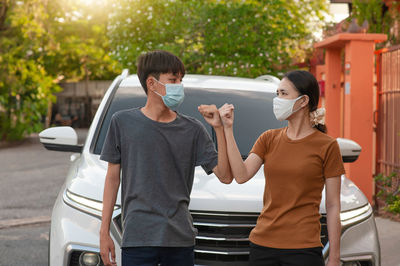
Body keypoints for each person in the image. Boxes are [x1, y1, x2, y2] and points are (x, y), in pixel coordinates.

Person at [99, 50, 232, 266]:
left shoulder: (193, 129)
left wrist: (219, 129)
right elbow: (112, 179)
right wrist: (104, 232)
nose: (179, 85)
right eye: (173, 79)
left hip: (180, 241)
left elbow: (225, 176)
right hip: (137, 239)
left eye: (181, 79)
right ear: (151, 83)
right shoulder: (122, 123)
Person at [204, 70, 344, 266]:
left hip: (303, 249)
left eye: (284, 94)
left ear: (303, 101)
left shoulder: (327, 146)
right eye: (277, 94)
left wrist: (335, 257)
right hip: (263, 246)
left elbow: (332, 205)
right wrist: (227, 128)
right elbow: (241, 175)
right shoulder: (268, 138)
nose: (278, 99)